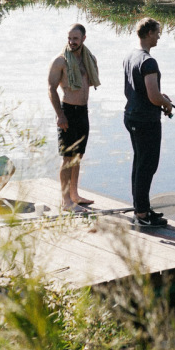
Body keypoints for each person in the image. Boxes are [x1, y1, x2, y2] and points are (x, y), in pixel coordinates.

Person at [122, 17, 173, 227]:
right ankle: (142, 214)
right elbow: (153, 96)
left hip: (132, 116)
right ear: (149, 32)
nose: (159, 36)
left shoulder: (131, 56)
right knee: (147, 165)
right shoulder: (148, 61)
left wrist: (161, 97)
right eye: (157, 32)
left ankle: (140, 208)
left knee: (139, 164)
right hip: (146, 120)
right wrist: (166, 103)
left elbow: (144, 91)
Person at [48, 23, 100, 210]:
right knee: (68, 158)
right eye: (69, 38)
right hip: (67, 111)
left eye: (75, 39)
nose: (72, 42)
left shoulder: (89, 59)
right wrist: (60, 115)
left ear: (83, 39)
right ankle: (65, 201)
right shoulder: (60, 61)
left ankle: (74, 195)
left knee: (78, 155)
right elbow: (51, 89)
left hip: (83, 112)